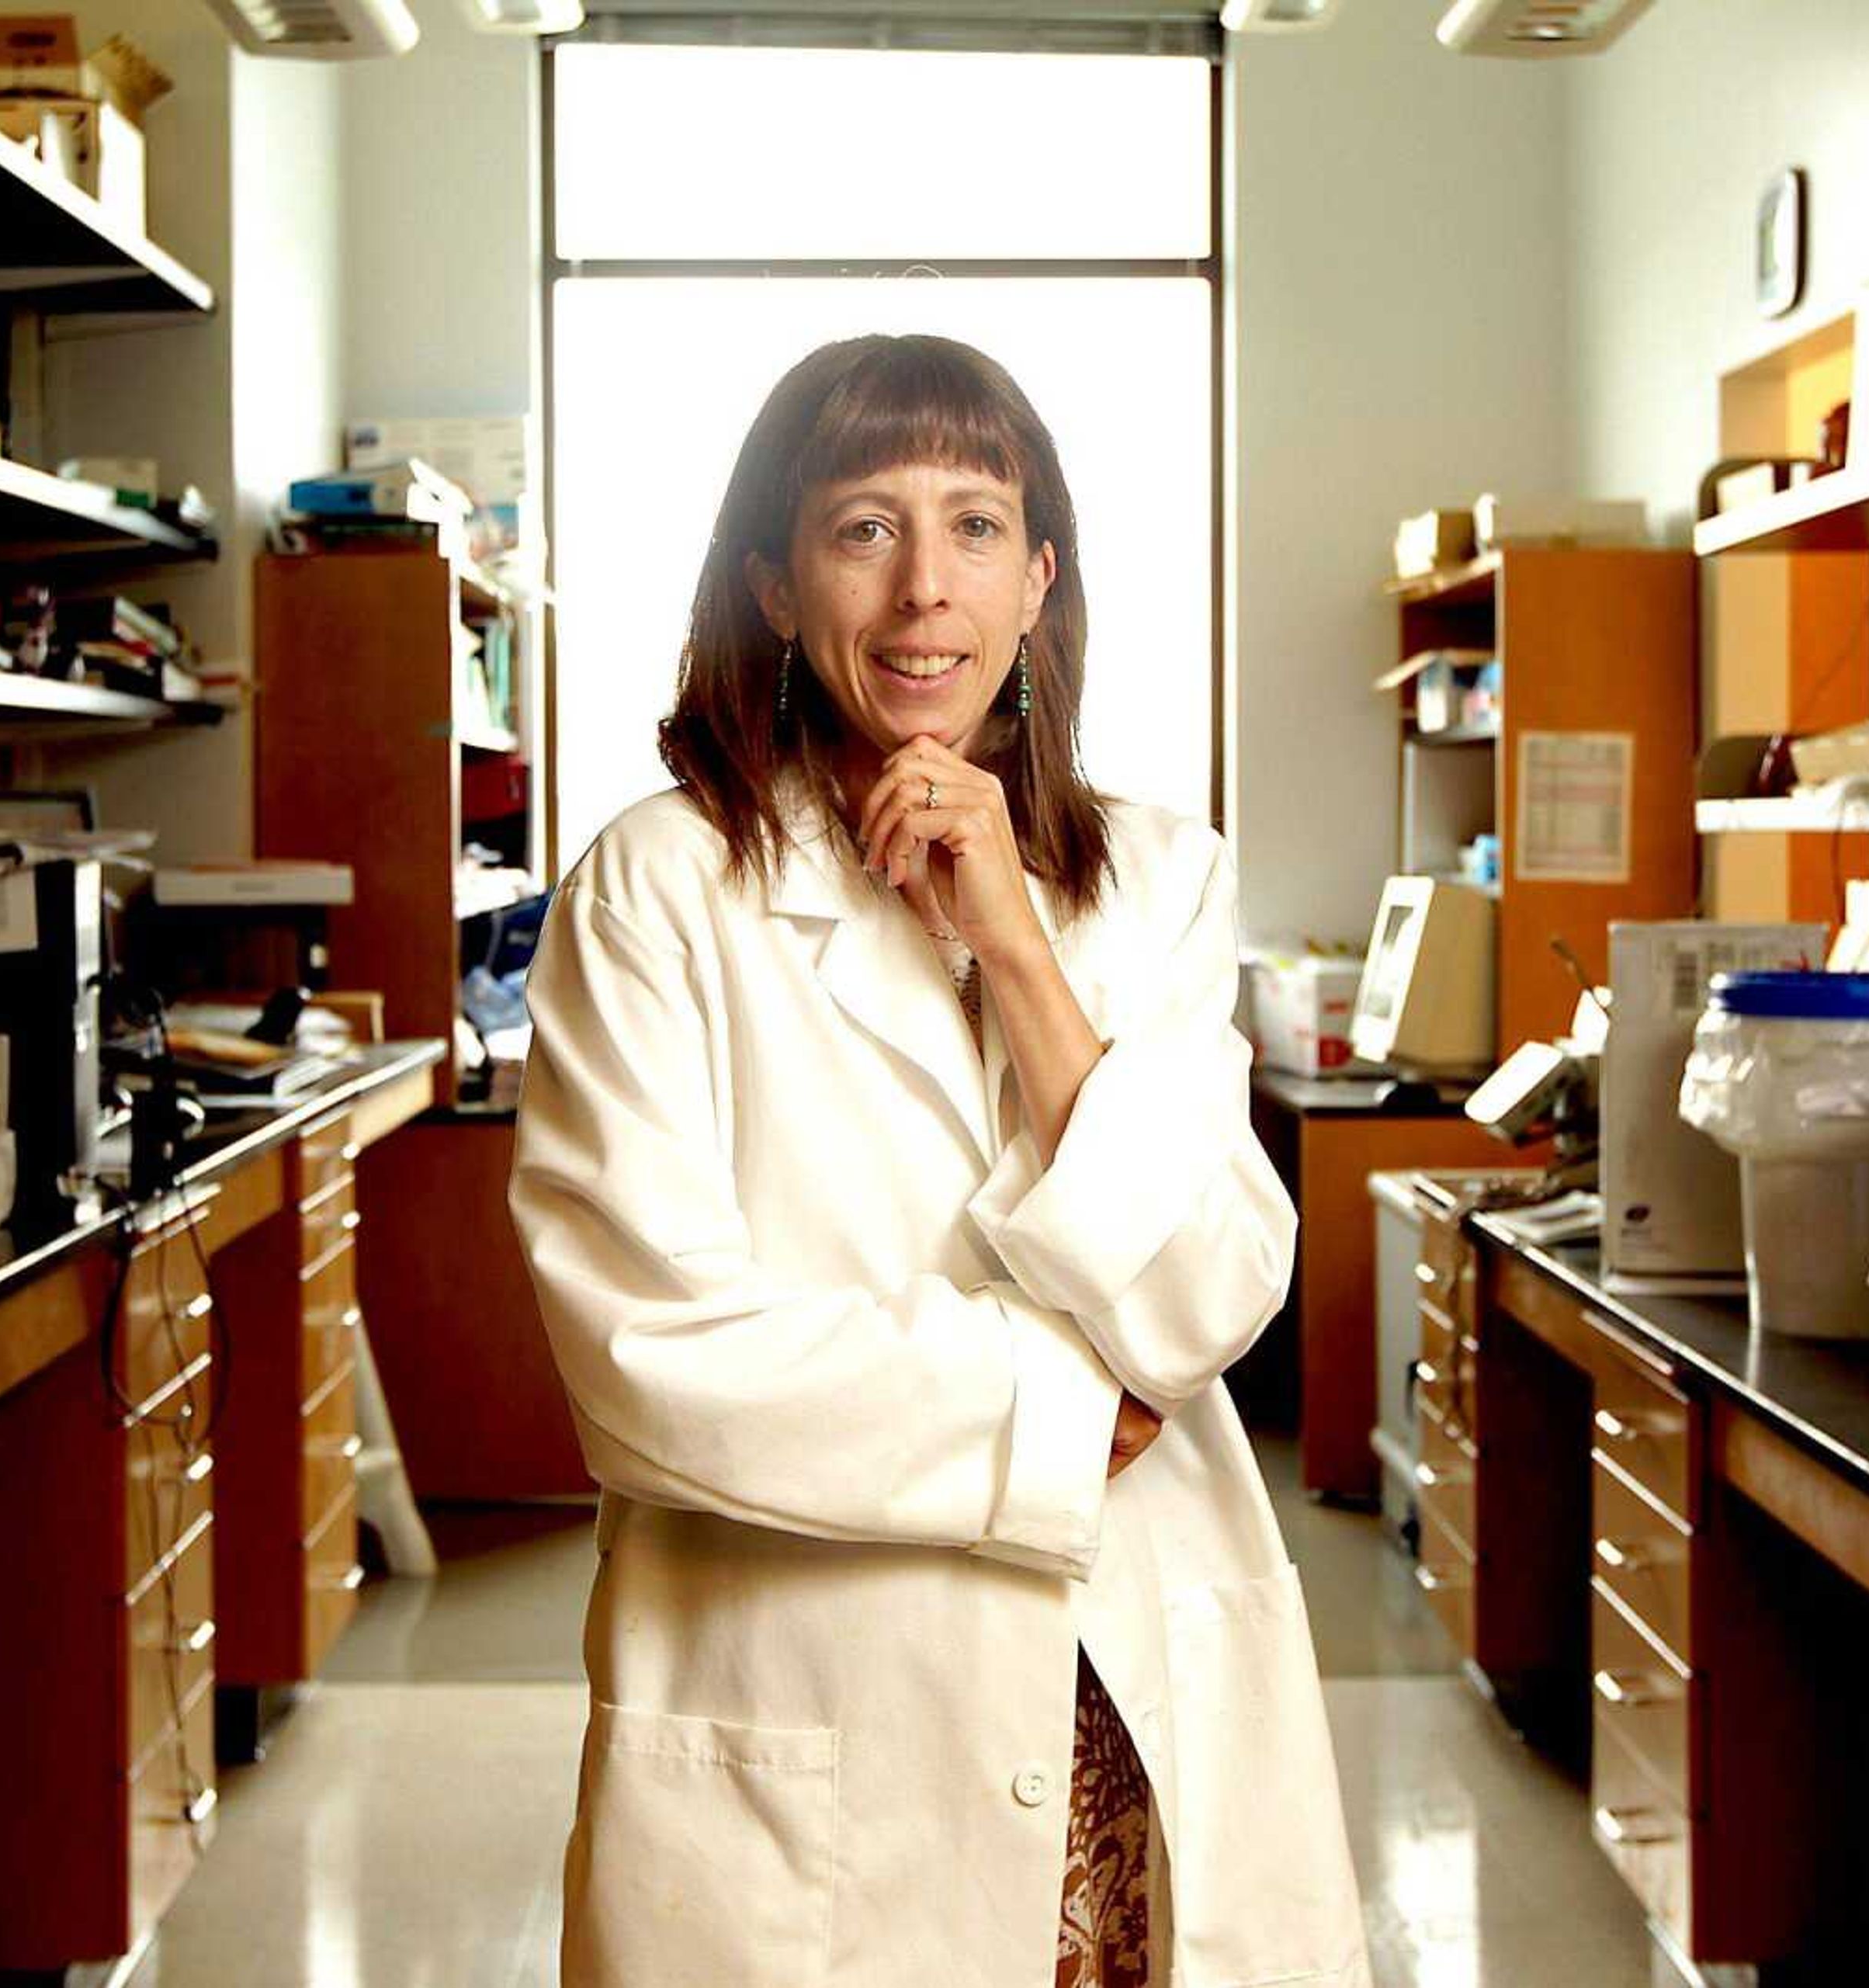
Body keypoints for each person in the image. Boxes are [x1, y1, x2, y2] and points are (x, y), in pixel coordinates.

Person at [508, 333, 1369, 1987]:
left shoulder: (1157, 882)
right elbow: (649, 1359)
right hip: (817, 1725)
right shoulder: (659, 891)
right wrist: (1066, 1413)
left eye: (977, 527)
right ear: (770, 581)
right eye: (862, 529)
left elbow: (1214, 1291)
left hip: (1130, 1709)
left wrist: (1020, 959)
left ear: (1040, 578)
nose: (925, 591)